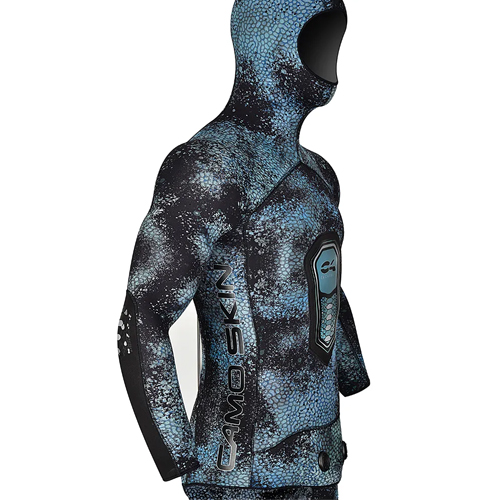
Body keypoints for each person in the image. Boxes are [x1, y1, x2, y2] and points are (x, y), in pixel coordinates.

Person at [117, 1, 370, 498]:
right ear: (270, 41)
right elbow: (144, 312)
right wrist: (175, 451)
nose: (329, 52)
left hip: (320, 462)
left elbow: (321, 285)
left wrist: (352, 372)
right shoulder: (208, 167)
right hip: (237, 473)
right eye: (315, 35)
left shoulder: (320, 175)